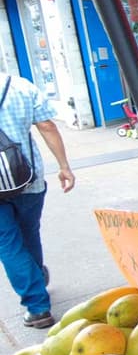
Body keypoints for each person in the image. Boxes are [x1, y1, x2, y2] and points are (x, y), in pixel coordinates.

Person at [0, 72, 75, 329]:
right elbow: (47, 126)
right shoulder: (19, 87)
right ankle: (37, 279)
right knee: (29, 233)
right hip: (28, 178)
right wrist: (64, 166)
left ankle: (37, 306)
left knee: (8, 244)